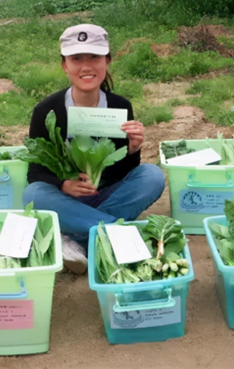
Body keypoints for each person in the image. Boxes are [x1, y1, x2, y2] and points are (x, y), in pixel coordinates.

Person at [22, 24, 166, 274]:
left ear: (107, 61)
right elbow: (36, 173)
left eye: (95, 57)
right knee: (33, 194)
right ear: (64, 65)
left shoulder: (120, 106)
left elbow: (124, 173)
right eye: (76, 58)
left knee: (152, 176)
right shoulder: (46, 110)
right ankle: (119, 236)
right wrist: (64, 185)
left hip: (107, 194)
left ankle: (76, 238)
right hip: (68, 199)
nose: (86, 66)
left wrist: (132, 150)